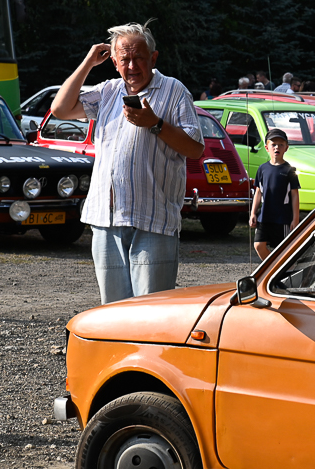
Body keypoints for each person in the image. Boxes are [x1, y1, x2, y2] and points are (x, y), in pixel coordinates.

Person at [50, 21, 204, 304]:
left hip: (153, 222)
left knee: (150, 313)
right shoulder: (108, 91)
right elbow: (60, 108)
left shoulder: (174, 91)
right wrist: (87, 63)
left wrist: (155, 124)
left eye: (139, 58)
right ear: (115, 63)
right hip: (106, 222)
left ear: (153, 58)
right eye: (125, 60)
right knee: (113, 312)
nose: (132, 66)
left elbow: (195, 148)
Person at [249, 128, 300, 260]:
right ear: (267, 147)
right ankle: (273, 270)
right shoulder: (262, 168)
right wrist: (253, 213)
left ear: (286, 148)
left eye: (281, 144)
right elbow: (258, 192)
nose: (277, 147)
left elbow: (294, 195)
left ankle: (279, 273)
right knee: (258, 245)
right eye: (273, 144)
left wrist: (295, 219)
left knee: (282, 250)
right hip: (264, 216)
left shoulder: (290, 170)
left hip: (282, 218)